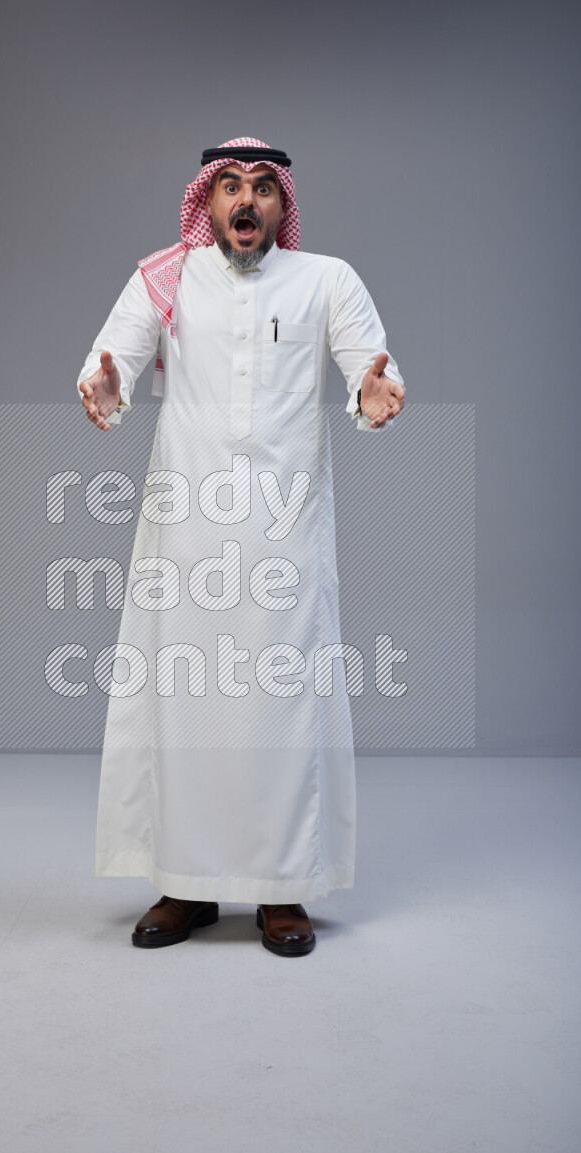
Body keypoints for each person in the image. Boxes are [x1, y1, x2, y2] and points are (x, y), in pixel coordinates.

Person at [77, 137, 405, 957]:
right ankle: (185, 885)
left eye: (263, 188)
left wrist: (374, 389)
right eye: (229, 187)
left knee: (282, 707)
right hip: (184, 528)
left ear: (284, 206)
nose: (246, 201)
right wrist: (105, 385)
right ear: (208, 201)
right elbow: (110, 360)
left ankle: (282, 890)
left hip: (285, 533)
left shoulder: (326, 279)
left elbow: (370, 366)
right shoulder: (167, 276)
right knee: (183, 705)